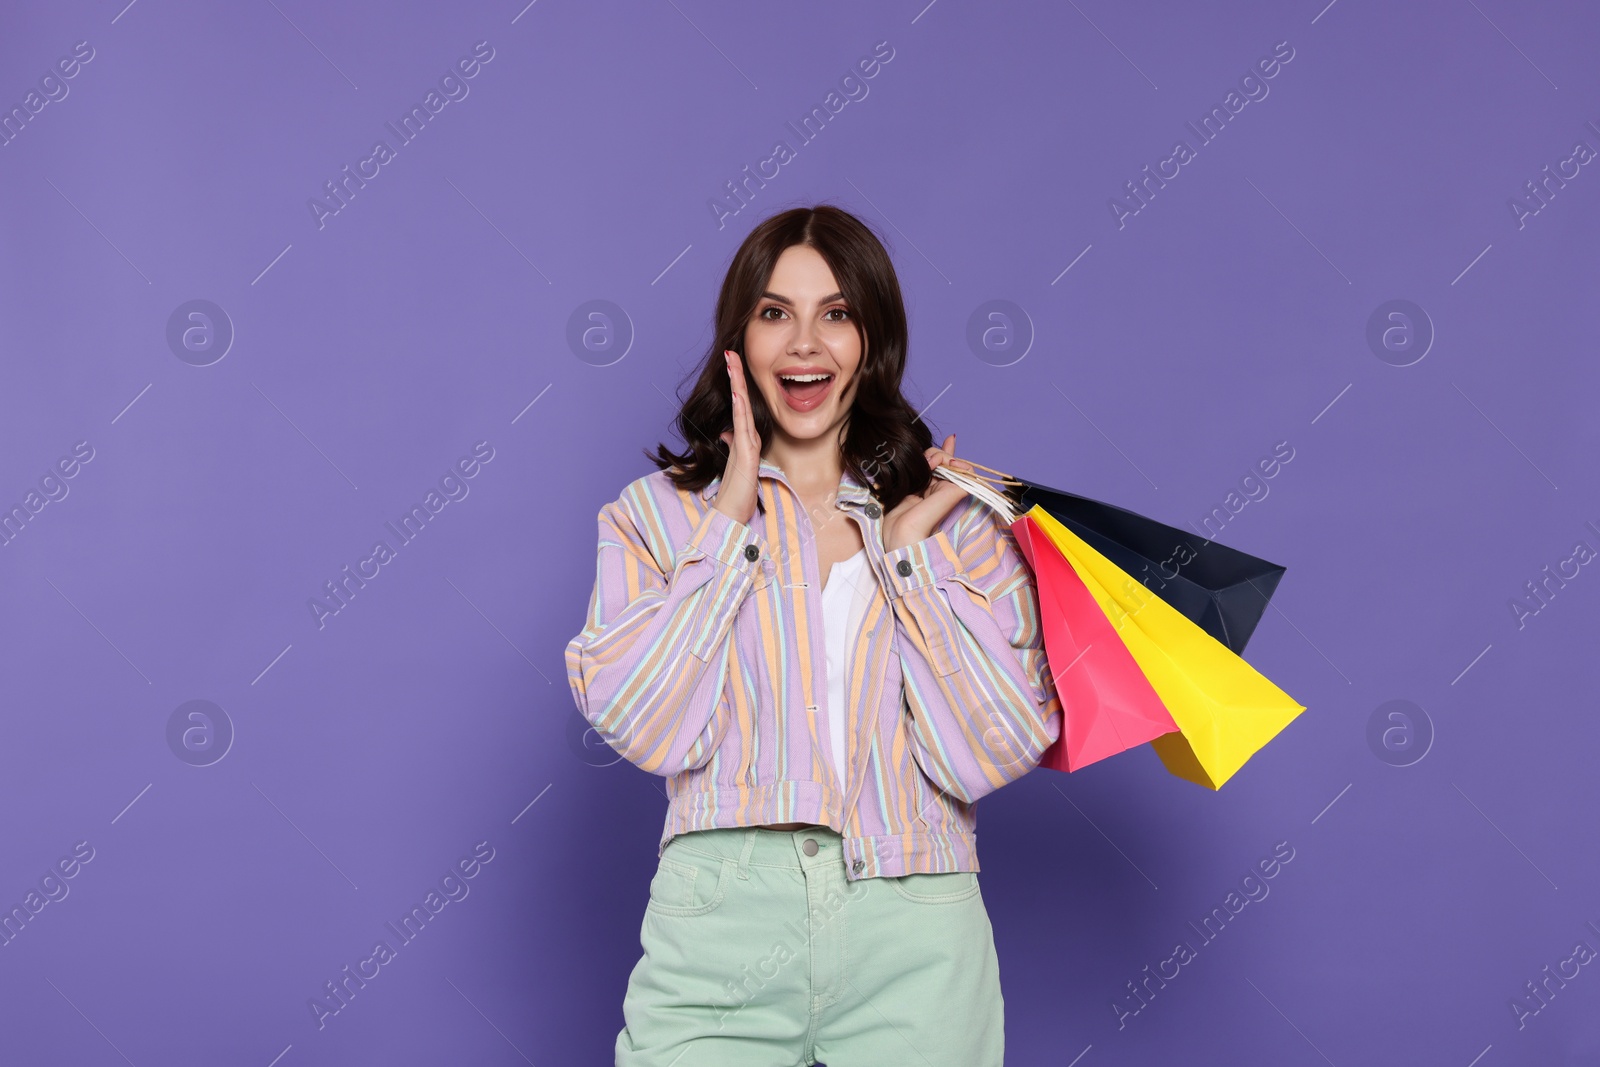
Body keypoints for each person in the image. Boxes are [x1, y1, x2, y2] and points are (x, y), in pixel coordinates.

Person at [565, 204, 1062, 1066]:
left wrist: (908, 563)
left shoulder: (956, 525)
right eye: (774, 312)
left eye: (836, 313)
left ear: (872, 339)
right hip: (719, 927)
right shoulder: (651, 519)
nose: (805, 343)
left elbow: (991, 750)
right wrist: (726, 521)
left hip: (916, 930)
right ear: (739, 341)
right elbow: (649, 727)